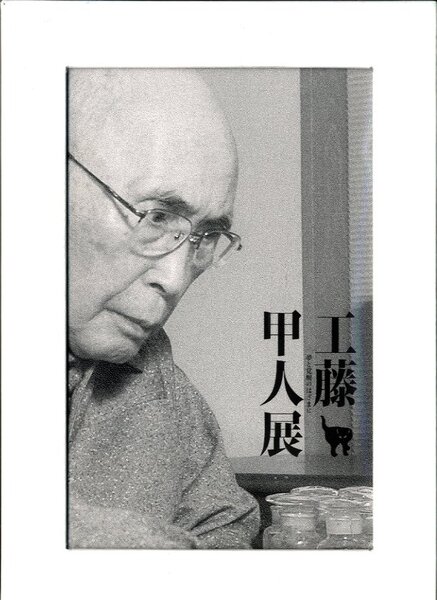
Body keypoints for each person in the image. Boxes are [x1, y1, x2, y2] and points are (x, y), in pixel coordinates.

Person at [68, 69, 260, 549]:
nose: (174, 279)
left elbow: (225, 528)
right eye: (155, 216)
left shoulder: (158, 381)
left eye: (207, 237)